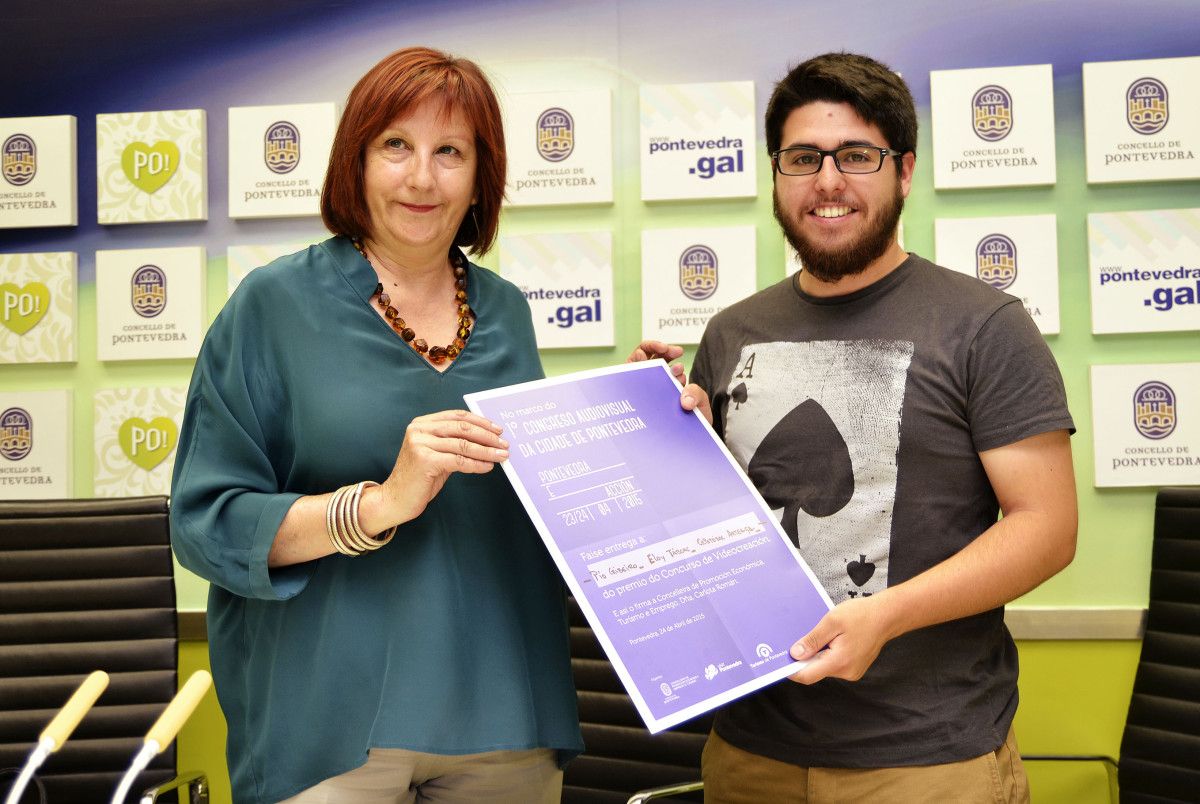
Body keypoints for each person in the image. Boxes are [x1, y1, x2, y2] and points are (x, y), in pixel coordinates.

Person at [639, 53, 1077, 803]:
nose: (828, 181)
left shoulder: (985, 327)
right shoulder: (729, 332)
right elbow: (712, 537)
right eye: (804, 158)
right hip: (751, 751)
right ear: (776, 175)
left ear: (904, 171)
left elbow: (1047, 527)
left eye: (858, 156)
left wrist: (888, 614)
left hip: (927, 758)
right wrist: (668, 441)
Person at [170, 47, 582, 804]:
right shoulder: (272, 306)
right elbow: (206, 524)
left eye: (449, 152)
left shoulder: (507, 312)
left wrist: (631, 421)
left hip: (505, 720)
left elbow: (533, 502)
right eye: (396, 146)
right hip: (330, 727)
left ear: (479, 177)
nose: (421, 177)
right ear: (355, 161)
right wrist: (378, 505)